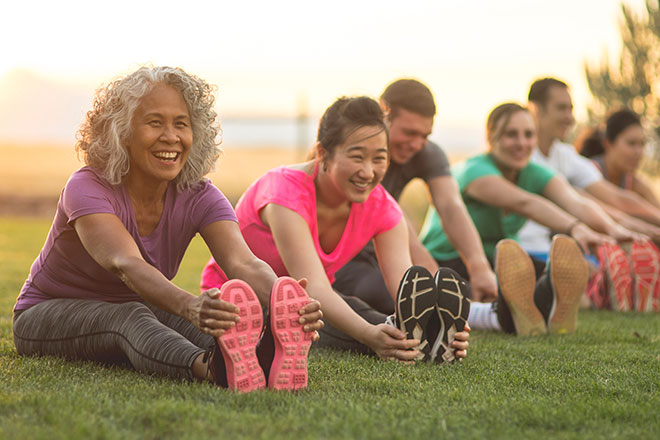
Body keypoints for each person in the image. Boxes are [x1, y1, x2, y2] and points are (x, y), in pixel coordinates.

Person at [11, 66, 324, 393]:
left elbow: (243, 262)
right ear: (122, 131)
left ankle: (261, 357)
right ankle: (212, 368)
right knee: (131, 316)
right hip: (45, 313)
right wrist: (190, 305)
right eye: (154, 122)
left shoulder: (200, 195)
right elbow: (125, 263)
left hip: (141, 302)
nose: (171, 137)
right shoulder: (88, 186)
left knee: (215, 320)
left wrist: (283, 300)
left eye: (181, 124)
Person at [202, 96, 471, 363]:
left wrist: (432, 320)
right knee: (322, 317)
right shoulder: (284, 194)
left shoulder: (383, 207)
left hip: (311, 305)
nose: (368, 172)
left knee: (357, 312)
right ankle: (408, 343)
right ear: (322, 153)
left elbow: (405, 290)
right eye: (357, 157)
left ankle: (427, 341)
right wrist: (370, 334)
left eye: (379, 158)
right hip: (239, 301)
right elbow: (314, 287)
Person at [421, 102, 617, 336]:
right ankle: (517, 311)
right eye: (511, 134)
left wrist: (613, 229)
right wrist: (576, 228)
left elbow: (574, 201)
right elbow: (525, 203)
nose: (522, 143)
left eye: (528, 135)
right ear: (491, 136)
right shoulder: (474, 171)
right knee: (465, 291)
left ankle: (538, 309)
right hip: (451, 258)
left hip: (503, 260)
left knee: (554, 279)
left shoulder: (533, 171)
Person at [332, 79, 497, 315]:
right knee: (388, 293)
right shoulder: (357, 154)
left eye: (425, 135)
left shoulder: (426, 153)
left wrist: (479, 266)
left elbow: (451, 206)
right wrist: (433, 280)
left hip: (388, 256)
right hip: (345, 260)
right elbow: (396, 220)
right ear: (383, 115)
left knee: (459, 287)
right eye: (409, 132)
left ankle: (496, 311)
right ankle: (477, 314)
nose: (417, 144)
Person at [576, 109, 660, 312]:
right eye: (631, 144)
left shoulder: (634, 182)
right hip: (585, 248)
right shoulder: (588, 173)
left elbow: (654, 212)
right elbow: (612, 210)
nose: (638, 151)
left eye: (642, 144)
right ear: (608, 143)